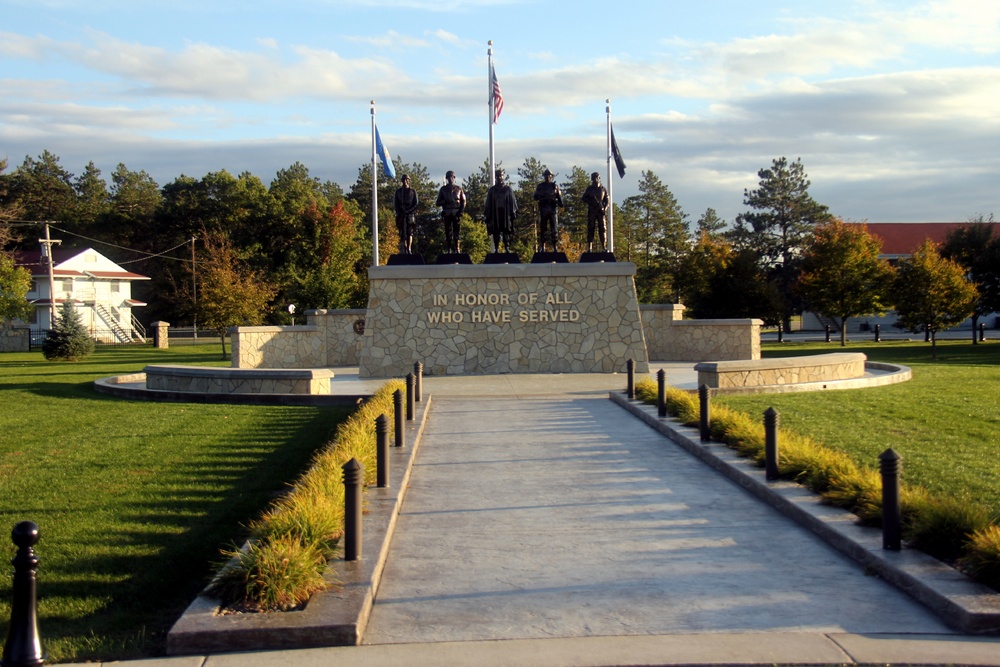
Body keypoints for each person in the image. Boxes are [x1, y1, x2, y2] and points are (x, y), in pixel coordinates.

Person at [483, 169, 517, 253]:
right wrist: (487, 215)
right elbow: (488, 203)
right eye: (497, 176)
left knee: (506, 231)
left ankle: (507, 248)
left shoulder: (508, 189)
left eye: (501, 175)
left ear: (503, 176)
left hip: (506, 214)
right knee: (496, 231)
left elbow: (513, 202)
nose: (499, 177)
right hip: (496, 214)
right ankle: (497, 248)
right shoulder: (492, 190)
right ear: (495, 177)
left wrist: (513, 213)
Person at [435, 170, 466, 254]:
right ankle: (448, 249)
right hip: (447, 212)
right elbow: (437, 202)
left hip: (456, 212)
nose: (450, 179)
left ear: (454, 178)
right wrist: (444, 201)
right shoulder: (443, 189)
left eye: (451, 177)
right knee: (448, 232)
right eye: (448, 177)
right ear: (447, 178)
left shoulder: (459, 189)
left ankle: (457, 249)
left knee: (457, 232)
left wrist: (461, 211)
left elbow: (463, 201)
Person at [533, 169, 563, 252]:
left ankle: (554, 247)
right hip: (543, 210)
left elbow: (561, 202)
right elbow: (535, 196)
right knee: (543, 229)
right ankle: (542, 247)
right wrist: (542, 199)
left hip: (553, 211)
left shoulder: (555, 186)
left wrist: (554, 201)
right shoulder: (540, 186)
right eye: (546, 175)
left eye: (549, 175)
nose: (548, 177)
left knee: (554, 229)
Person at [582, 171, 609, 252]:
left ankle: (603, 247)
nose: (596, 179)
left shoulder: (603, 189)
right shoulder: (589, 189)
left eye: (597, 177)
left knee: (602, 228)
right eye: (594, 177)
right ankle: (589, 247)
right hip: (592, 211)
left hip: (600, 212)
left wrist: (604, 208)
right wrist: (591, 202)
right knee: (591, 228)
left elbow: (607, 200)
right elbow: (584, 198)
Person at [393, 174, 419, 254]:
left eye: (407, 179)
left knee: (409, 232)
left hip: (410, 215)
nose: (405, 181)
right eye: (404, 179)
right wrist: (400, 212)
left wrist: (409, 210)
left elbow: (416, 203)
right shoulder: (398, 192)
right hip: (401, 215)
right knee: (402, 233)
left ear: (409, 180)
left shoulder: (413, 191)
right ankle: (403, 249)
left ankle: (409, 248)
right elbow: (396, 203)